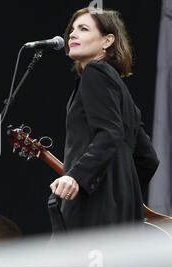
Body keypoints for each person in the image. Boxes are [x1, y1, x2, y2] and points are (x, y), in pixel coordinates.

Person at [49, 8, 159, 230]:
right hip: (125, 214)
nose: (72, 34)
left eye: (83, 28)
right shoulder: (121, 91)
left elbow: (110, 133)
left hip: (94, 212)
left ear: (107, 40)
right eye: (72, 29)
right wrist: (120, 189)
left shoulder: (94, 71)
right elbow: (148, 159)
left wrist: (77, 177)